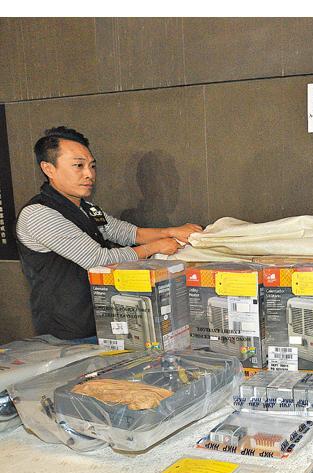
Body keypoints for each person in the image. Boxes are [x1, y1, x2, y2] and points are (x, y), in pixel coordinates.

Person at [16, 126, 203, 343]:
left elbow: (124, 232)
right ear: (48, 168)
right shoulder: (39, 214)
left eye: (92, 166)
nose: (89, 174)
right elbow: (99, 260)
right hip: (68, 334)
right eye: (78, 166)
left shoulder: (86, 208)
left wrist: (171, 231)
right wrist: (155, 247)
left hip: (101, 324)